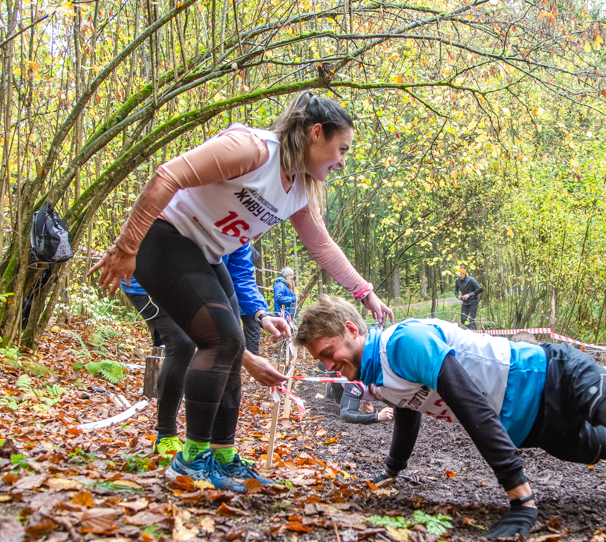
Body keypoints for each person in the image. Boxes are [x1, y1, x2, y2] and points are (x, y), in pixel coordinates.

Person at [90, 92, 393, 492]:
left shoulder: (299, 190)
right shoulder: (253, 149)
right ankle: (190, 461)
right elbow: (168, 175)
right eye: (341, 149)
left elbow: (322, 246)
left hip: (206, 254)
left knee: (232, 349)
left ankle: (223, 455)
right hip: (164, 238)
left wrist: (364, 292)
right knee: (223, 339)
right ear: (315, 133)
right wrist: (127, 247)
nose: (342, 160)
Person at [294, 296, 606, 539]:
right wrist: (393, 471)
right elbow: (408, 410)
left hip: (557, 377)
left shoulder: (407, 341)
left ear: (351, 329)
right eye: (322, 361)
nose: (328, 364)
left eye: (329, 351)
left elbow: (473, 412)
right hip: (537, 428)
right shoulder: (375, 373)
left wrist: (521, 500)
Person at [121, 243, 279, 464]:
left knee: (233, 340)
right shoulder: (199, 217)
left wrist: (261, 314)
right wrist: (247, 357)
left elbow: (241, 276)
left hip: (205, 277)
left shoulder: (241, 234)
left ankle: (222, 449)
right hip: (154, 277)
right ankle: (166, 436)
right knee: (182, 342)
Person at [241, 245, 263, 355]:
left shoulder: (245, 249)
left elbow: (244, 280)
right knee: (230, 336)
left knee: (253, 334)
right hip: (230, 302)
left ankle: (254, 359)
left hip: (248, 307)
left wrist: (260, 312)